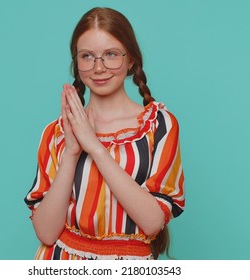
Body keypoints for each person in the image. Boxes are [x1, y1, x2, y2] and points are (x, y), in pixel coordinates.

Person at [24, 7, 184, 260]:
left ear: (131, 59)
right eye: (87, 56)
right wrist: (73, 152)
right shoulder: (55, 133)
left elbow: (153, 222)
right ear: (76, 63)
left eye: (111, 54)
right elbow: (45, 232)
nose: (99, 68)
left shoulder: (160, 126)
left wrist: (96, 148)